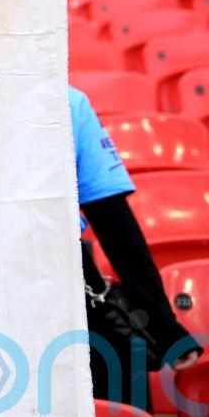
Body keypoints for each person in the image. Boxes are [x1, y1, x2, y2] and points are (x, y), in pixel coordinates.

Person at [70, 86, 200, 409]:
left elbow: (115, 223)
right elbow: (114, 224)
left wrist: (163, 325)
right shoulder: (64, 99)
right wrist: (164, 326)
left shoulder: (67, 101)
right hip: (63, 286)